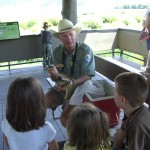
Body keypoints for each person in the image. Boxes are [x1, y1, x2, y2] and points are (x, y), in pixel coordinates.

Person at [46, 19, 95, 127]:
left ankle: (74, 142)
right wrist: (54, 76)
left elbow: (87, 76)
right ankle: (36, 131)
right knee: (42, 101)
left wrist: (69, 84)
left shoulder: (85, 50)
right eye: (64, 36)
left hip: (79, 90)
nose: (69, 38)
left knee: (65, 119)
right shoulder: (57, 52)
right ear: (60, 38)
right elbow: (55, 78)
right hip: (62, 89)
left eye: (71, 34)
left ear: (75, 34)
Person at [1, 77, 59, 150]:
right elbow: (55, 148)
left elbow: (7, 143)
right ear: (39, 104)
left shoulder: (6, 123)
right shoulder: (46, 128)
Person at [113, 72, 150, 150]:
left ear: (122, 100)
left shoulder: (136, 126)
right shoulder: (134, 109)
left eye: (114, 92)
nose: (113, 95)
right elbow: (120, 134)